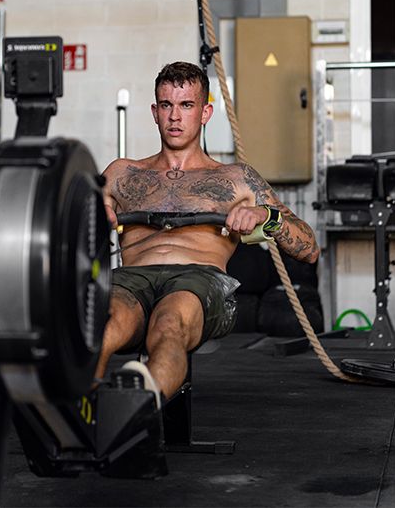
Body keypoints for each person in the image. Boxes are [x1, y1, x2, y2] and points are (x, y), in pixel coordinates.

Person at [99, 61, 318, 404]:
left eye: (186, 105)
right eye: (167, 105)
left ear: (205, 112)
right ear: (155, 112)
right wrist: (95, 217)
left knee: (169, 323)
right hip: (131, 279)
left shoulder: (236, 179)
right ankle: (75, 420)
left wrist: (265, 216)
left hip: (199, 279)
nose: (175, 116)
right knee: (102, 325)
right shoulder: (121, 174)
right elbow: (69, 227)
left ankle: (135, 412)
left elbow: (309, 248)